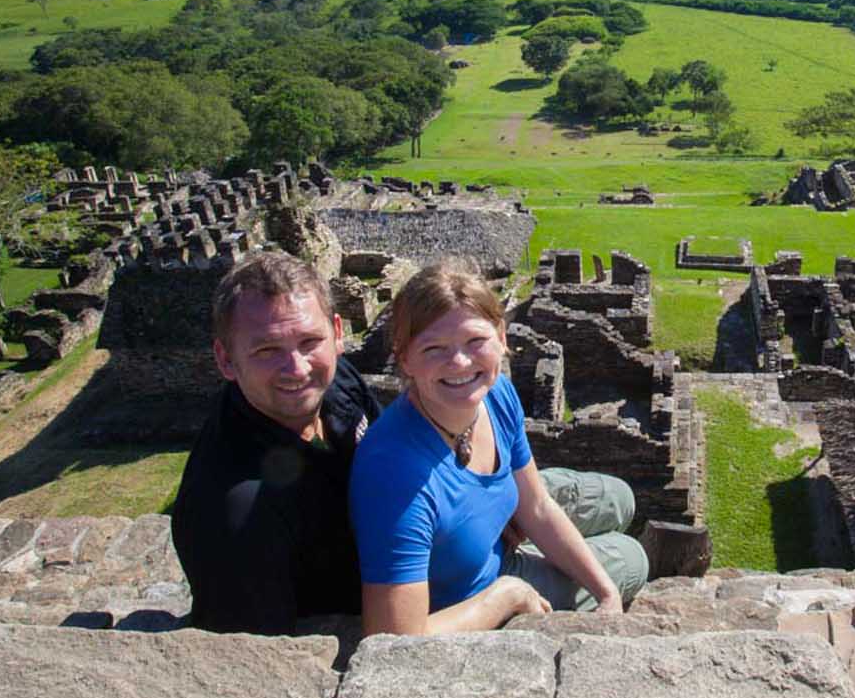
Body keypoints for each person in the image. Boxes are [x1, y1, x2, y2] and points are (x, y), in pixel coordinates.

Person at [350, 263, 648, 635]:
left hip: (491, 535)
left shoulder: (496, 394)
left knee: (620, 498)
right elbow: (392, 640)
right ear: (405, 358)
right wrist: (504, 597)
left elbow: (537, 507)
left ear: (501, 337)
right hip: (473, 594)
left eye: (476, 341)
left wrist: (606, 593)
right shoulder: (395, 475)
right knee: (633, 559)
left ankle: (517, 539)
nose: (459, 362)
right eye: (433, 348)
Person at [171, 251, 383, 634]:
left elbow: (395, 457)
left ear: (337, 333)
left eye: (309, 341)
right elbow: (256, 656)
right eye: (267, 350)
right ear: (226, 360)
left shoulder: (338, 381)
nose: (297, 368)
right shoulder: (233, 512)